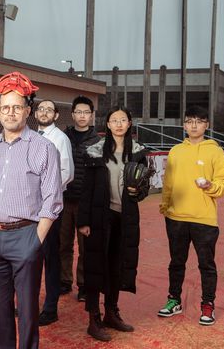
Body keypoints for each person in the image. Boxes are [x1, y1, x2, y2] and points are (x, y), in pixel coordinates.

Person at [0, 72, 63, 349]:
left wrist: (36, 240)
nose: (10, 112)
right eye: (5, 107)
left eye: (16, 107)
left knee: (26, 310)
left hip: (25, 236)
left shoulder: (44, 148)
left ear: (27, 111)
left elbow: (53, 199)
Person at [77, 105, 150, 342]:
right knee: (95, 266)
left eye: (123, 120)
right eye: (114, 120)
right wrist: (84, 221)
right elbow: (86, 189)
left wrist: (137, 191)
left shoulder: (138, 153)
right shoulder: (95, 152)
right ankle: (93, 318)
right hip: (100, 217)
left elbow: (145, 187)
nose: (118, 124)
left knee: (117, 266)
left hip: (126, 218)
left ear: (130, 123)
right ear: (107, 124)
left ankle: (111, 312)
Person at [158, 105, 224, 326]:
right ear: (184, 125)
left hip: (204, 219)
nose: (194, 125)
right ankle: (174, 300)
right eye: (189, 121)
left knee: (206, 265)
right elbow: (168, 183)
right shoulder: (175, 151)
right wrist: (165, 207)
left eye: (199, 121)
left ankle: (207, 304)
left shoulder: (215, 151)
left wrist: (210, 186)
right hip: (176, 218)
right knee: (176, 262)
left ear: (206, 125)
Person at [34, 100, 74, 326]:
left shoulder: (60, 138)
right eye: (41, 109)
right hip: (29, 208)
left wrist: (45, 192)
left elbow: (66, 173)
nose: (44, 112)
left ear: (56, 115)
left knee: (50, 258)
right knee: (30, 258)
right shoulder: (31, 136)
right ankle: (31, 304)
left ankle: (50, 308)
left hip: (48, 208)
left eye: (49, 109)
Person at [60, 95, 100, 300]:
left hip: (87, 201)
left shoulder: (98, 141)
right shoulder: (63, 137)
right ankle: (64, 281)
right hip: (65, 199)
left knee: (86, 247)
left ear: (91, 115)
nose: (82, 116)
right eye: (79, 112)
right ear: (73, 114)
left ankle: (84, 285)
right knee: (63, 243)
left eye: (86, 112)